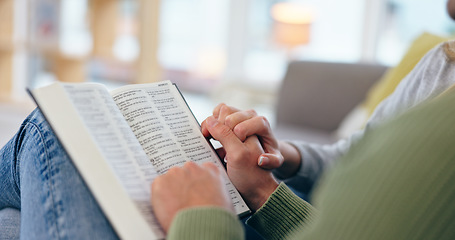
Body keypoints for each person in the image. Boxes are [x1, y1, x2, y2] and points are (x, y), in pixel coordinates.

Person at [1, 1, 455, 239]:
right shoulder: (443, 63)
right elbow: (359, 158)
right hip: (289, 208)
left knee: (51, 135)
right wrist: (279, 161)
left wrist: (207, 212)